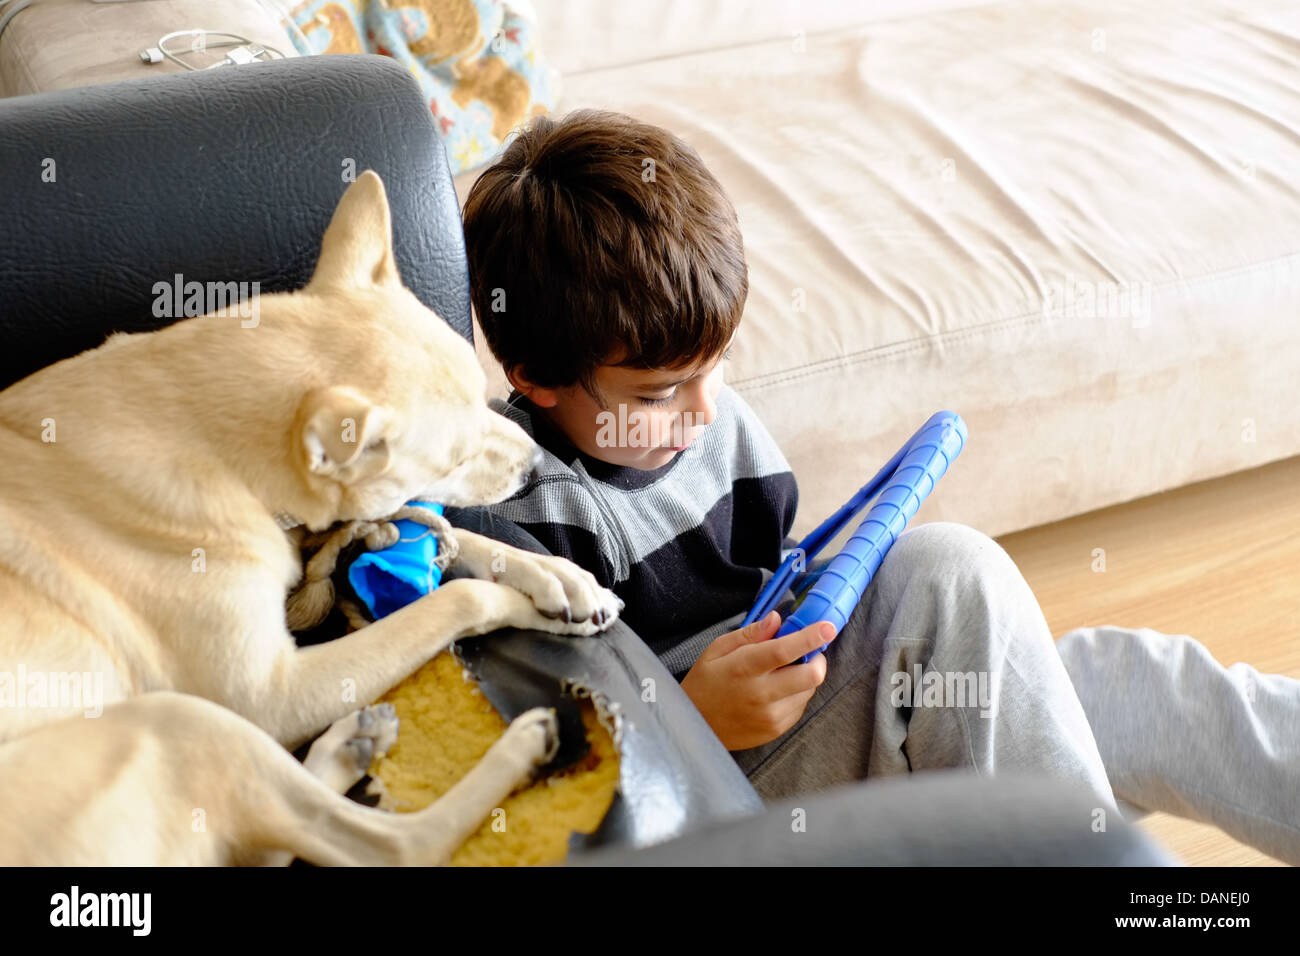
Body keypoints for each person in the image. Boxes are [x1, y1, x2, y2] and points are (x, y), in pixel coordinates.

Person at [455, 108, 1300, 863]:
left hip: (807, 724)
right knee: (947, 577)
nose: (705, 412)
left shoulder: (713, 427)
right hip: (707, 792)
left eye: (715, 369)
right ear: (535, 379)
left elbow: (767, 577)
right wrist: (689, 721)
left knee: (1121, 679)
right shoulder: (508, 519)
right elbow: (550, 781)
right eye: (659, 392)